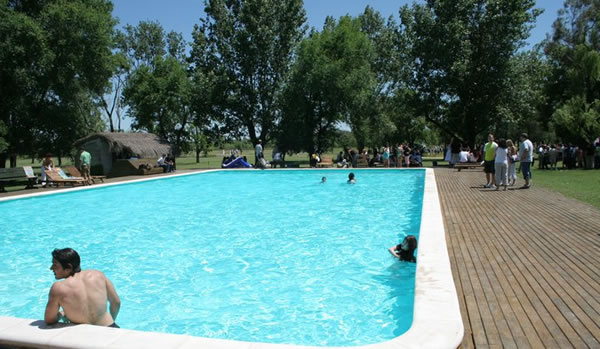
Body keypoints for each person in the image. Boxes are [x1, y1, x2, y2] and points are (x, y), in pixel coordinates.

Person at [45, 248, 120, 328]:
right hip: (110, 327)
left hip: (85, 335)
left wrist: (63, 313)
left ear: (68, 267)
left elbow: (49, 320)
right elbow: (116, 302)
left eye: (55, 264)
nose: (51, 268)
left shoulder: (58, 287)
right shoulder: (98, 275)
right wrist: (112, 321)